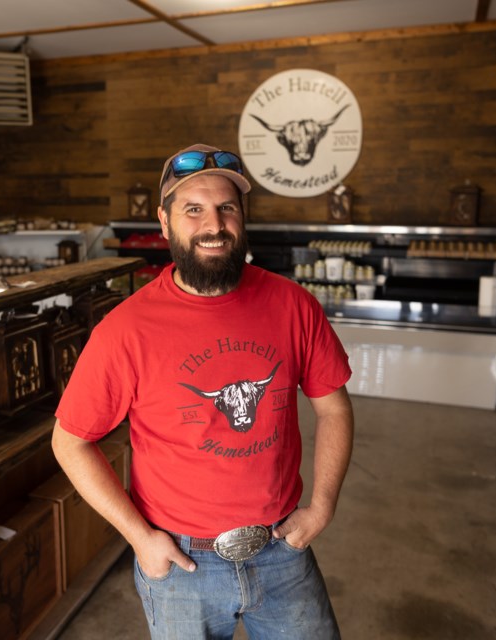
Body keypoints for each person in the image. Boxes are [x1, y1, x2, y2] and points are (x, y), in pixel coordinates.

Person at [52, 143, 354, 639]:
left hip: (283, 551)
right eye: (193, 209)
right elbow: (69, 440)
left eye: (226, 208)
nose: (213, 225)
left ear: (242, 217)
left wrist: (322, 506)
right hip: (180, 564)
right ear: (165, 222)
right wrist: (140, 539)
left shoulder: (294, 305)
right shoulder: (125, 330)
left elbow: (334, 408)